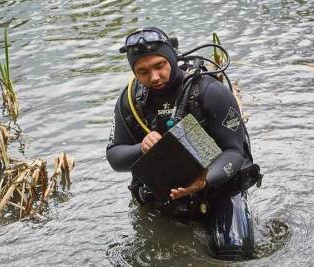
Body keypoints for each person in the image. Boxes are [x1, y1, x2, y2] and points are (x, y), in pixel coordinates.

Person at [106, 26, 262, 260]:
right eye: (143, 71)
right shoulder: (130, 101)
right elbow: (115, 158)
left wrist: (204, 180)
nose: (154, 77)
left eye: (160, 65)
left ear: (172, 58)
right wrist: (142, 147)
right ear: (134, 72)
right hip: (165, 194)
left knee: (235, 252)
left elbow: (234, 153)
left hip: (218, 187)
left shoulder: (209, 91)